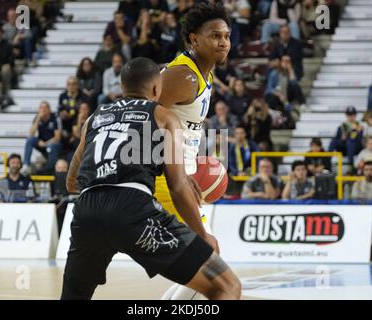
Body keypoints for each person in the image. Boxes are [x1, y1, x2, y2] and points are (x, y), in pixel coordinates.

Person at [61, 57, 241, 300]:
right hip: (133, 209)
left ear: (122, 87)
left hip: (87, 210)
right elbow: (177, 187)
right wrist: (202, 234)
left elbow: (71, 183)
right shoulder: (164, 116)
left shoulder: (94, 117)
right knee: (226, 286)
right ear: (157, 89)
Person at [155, 2, 233, 300]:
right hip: (165, 180)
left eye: (226, 35)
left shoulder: (205, 73)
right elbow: (142, 120)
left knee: (204, 265)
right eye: (215, 36)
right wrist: (176, 172)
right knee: (210, 262)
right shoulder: (182, 75)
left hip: (179, 174)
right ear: (193, 39)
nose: (223, 42)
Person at [22, 101, 62, 175]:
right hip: (43, 143)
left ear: (49, 109)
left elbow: (57, 137)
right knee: (30, 140)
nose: (43, 110)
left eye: (45, 108)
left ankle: (50, 168)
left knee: (52, 146)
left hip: (54, 144)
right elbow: (31, 134)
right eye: (41, 108)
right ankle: (26, 165)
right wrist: (38, 119)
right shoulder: (37, 117)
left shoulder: (55, 117)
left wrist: (46, 144)